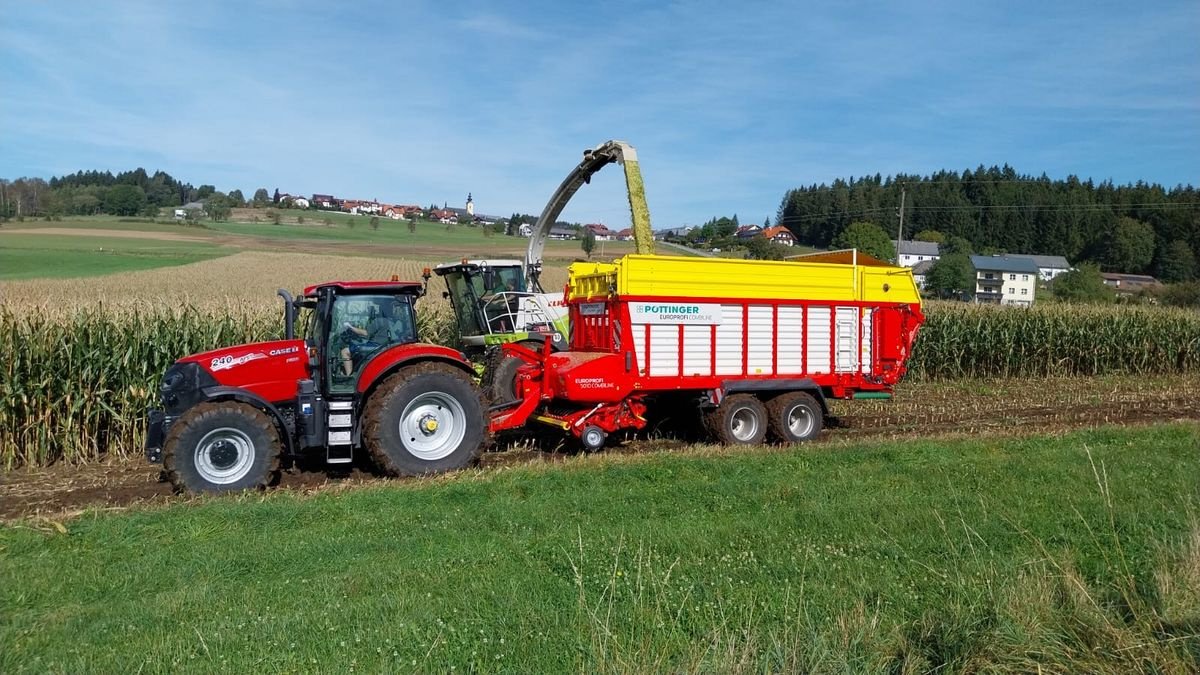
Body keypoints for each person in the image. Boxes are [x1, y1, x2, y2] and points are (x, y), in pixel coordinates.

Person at [338, 300, 396, 376]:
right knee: (356, 345)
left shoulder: (379, 320)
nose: (376, 310)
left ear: (382, 309)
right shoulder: (391, 320)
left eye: (378, 308)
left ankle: (348, 376)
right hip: (383, 345)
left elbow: (365, 333)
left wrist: (350, 327)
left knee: (345, 351)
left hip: (376, 347)